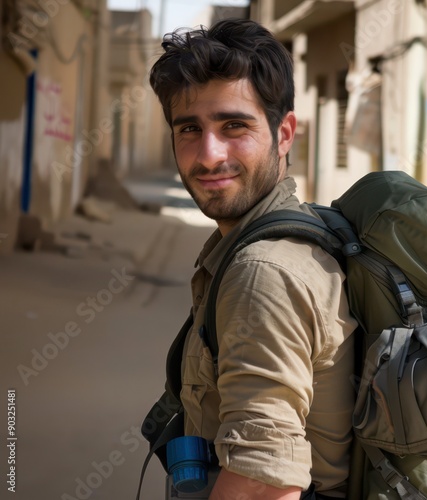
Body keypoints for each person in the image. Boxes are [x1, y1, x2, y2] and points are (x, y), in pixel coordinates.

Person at [149, 18, 358, 500]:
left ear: (284, 133)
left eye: (234, 125)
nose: (208, 154)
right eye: (189, 129)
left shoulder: (263, 271)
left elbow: (263, 483)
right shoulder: (283, 237)